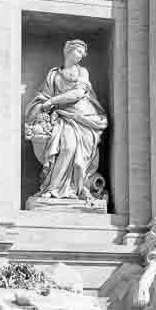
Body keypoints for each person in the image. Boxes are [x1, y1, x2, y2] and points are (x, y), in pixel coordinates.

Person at [23, 40, 108, 201]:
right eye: (78, 51)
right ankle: (53, 189)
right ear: (68, 51)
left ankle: (74, 188)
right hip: (61, 117)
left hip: (82, 118)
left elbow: (78, 93)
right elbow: (43, 96)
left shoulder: (82, 72)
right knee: (67, 147)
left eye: (83, 53)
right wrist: (42, 105)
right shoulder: (54, 74)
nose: (81, 55)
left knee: (71, 149)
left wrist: (52, 102)